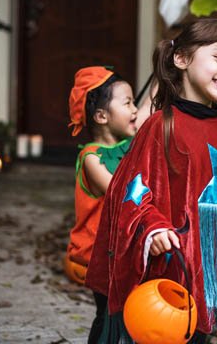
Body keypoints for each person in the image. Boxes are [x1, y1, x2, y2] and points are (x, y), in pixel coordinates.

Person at [85, 18, 217, 343]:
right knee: (154, 329)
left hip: (202, 256)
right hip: (165, 253)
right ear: (182, 59)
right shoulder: (161, 125)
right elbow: (130, 188)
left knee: (191, 327)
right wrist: (153, 227)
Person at [63, 66, 139, 342]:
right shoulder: (92, 158)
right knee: (108, 312)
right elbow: (120, 192)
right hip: (98, 254)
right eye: (128, 102)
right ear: (102, 116)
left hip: (121, 250)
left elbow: (149, 113)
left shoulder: (128, 145)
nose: (135, 109)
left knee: (126, 313)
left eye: (135, 101)